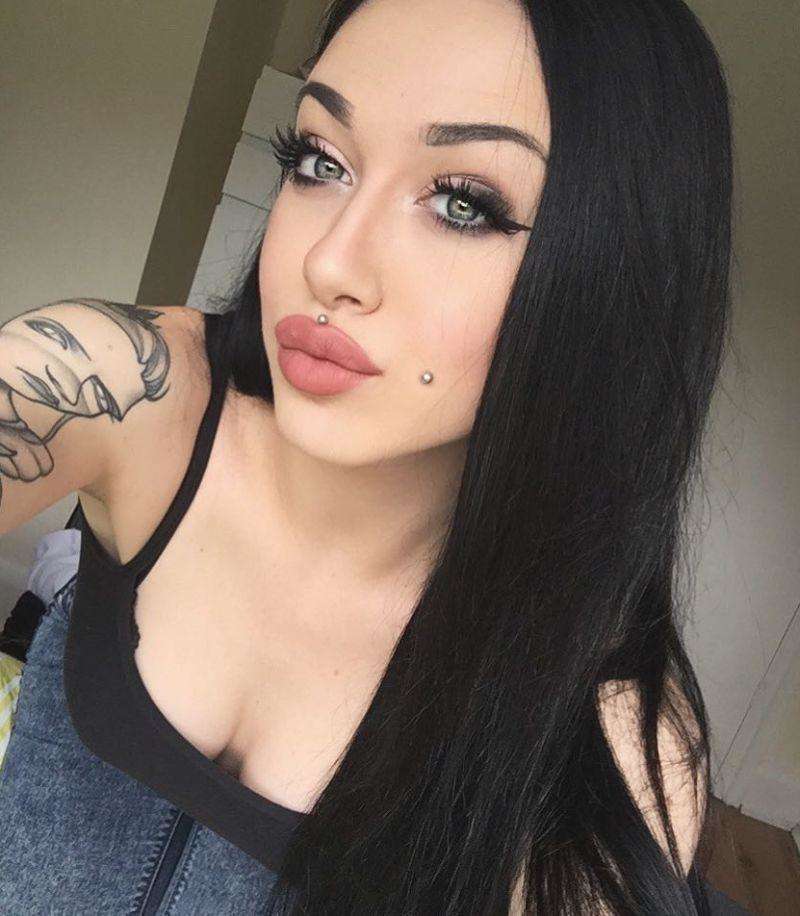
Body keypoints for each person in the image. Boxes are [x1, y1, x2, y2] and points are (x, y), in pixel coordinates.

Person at [0, 0, 734, 912]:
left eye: (463, 204)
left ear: (619, 275)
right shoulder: (121, 386)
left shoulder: (613, 742)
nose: (330, 263)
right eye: (320, 161)